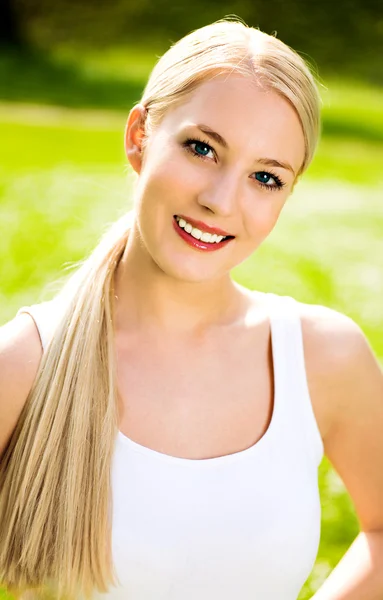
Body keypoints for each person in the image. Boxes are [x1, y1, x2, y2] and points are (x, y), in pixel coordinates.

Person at [0, 16, 382, 600]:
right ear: (139, 136)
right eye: (202, 148)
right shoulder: (26, 365)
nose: (220, 200)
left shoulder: (322, 357)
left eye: (266, 178)